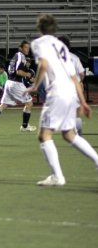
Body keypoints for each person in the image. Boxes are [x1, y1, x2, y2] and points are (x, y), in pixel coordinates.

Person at [28, 13, 98, 186]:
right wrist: (82, 101)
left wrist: (35, 86)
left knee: (44, 135)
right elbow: (74, 78)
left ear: (40, 28)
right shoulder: (61, 46)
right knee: (69, 134)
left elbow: (43, 65)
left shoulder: (38, 43)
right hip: (70, 92)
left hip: (57, 93)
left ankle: (57, 176)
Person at [0, 40, 36, 135]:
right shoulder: (21, 56)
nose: (28, 49)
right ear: (20, 48)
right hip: (16, 83)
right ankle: (24, 126)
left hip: (9, 82)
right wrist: (27, 74)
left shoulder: (15, 56)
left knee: (3, 105)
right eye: (26, 47)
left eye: (28, 48)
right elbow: (18, 72)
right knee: (29, 103)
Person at [58, 35, 85, 135]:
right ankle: (78, 133)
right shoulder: (74, 57)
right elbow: (82, 73)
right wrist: (81, 81)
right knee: (76, 111)